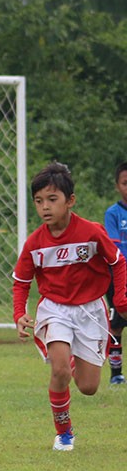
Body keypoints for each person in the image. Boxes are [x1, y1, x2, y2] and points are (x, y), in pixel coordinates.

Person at [13, 163, 127, 451]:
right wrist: (19, 313)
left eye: (52, 200)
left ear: (70, 201)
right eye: (39, 201)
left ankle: (75, 359)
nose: (45, 207)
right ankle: (64, 433)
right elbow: (21, 282)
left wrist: (121, 299)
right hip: (55, 309)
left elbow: (118, 262)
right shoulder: (34, 244)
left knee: (88, 387)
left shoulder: (91, 232)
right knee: (60, 370)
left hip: (91, 310)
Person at [103, 161, 127, 385]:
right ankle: (116, 374)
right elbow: (114, 248)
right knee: (116, 325)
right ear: (117, 186)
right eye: (125, 183)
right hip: (119, 277)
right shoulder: (113, 213)